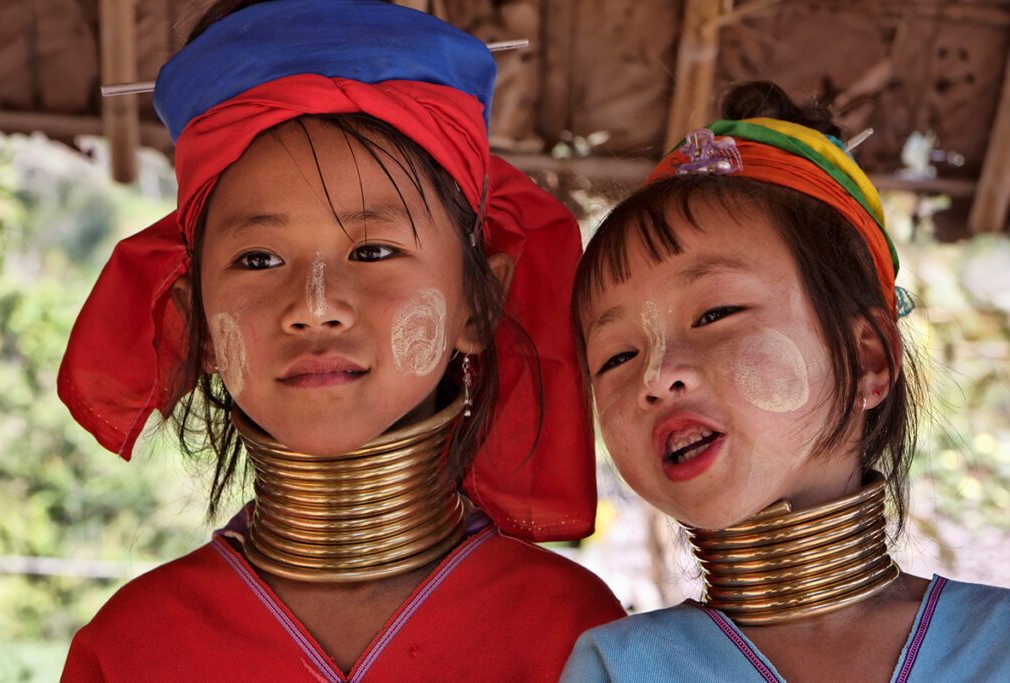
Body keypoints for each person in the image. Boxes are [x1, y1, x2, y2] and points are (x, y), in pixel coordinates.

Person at [57, 1, 624, 679]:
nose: (315, 306)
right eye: (259, 259)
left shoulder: (573, 631)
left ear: (479, 300)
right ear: (198, 320)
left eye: (375, 250)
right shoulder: (128, 650)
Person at [561, 82, 1010, 681]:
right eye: (616, 356)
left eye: (715, 315)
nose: (657, 376)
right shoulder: (617, 668)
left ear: (868, 359)